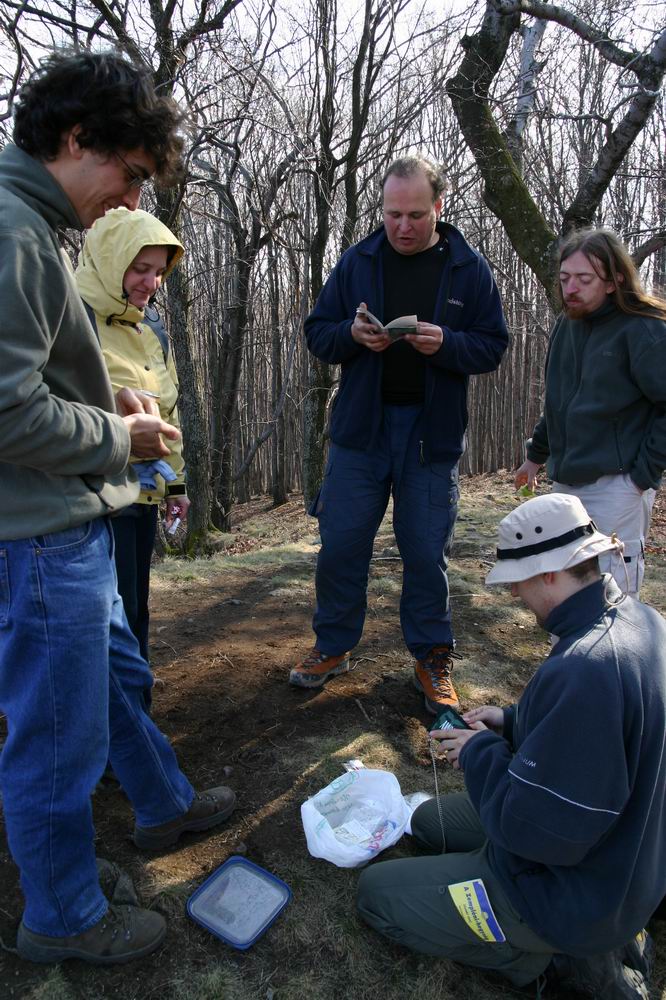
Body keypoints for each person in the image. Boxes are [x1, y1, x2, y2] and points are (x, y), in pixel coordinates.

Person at [0, 50, 235, 966]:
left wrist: (110, 411)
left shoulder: (30, 225)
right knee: (58, 736)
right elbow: (7, 411)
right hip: (37, 536)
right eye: (130, 173)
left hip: (64, 523)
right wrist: (118, 441)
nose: (129, 198)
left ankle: (163, 805)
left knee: (108, 685)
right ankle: (61, 914)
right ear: (74, 138)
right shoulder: (16, 234)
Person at [357, 493, 666, 999]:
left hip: (571, 893)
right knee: (428, 823)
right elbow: (601, 736)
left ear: (549, 573)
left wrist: (478, 752)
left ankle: (556, 961)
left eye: (520, 581)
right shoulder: (642, 622)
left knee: (377, 895)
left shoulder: (583, 669)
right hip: (622, 857)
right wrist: (511, 721)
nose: (517, 594)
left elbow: (534, 833)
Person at [291, 155, 508, 713]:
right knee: (341, 545)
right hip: (361, 432)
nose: (403, 226)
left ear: (439, 206)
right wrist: (352, 335)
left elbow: (493, 344)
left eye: (415, 214)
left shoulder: (468, 268)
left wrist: (449, 345)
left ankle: (432, 658)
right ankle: (333, 646)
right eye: (393, 214)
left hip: (429, 437)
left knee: (424, 550)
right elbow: (317, 332)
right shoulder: (358, 261)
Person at [515, 227, 666, 598]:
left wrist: (640, 477)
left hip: (618, 485)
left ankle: (615, 658)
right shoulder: (566, 326)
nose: (571, 288)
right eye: (565, 278)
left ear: (614, 281)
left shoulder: (643, 329)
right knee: (566, 587)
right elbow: (560, 403)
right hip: (567, 482)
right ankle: (569, 658)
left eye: (584, 279)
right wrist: (535, 457)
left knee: (610, 594)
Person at [76, 207, 190, 695]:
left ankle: (135, 724)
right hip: (88, 498)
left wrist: (176, 485)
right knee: (101, 625)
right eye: (140, 269)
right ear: (110, 260)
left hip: (141, 497)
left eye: (159, 271)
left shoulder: (153, 330)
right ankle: (108, 744)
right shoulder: (72, 318)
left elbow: (171, 413)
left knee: (135, 610)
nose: (152, 282)